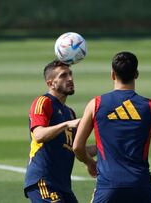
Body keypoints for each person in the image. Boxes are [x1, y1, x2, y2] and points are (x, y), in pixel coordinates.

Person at [72, 51, 151, 203]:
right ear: (136, 74)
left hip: (108, 187)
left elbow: (77, 147)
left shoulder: (95, 105)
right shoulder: (150, 108)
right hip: (140, 187)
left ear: (112, 74)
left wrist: (90, 163)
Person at [24, 60, 96, 202]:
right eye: (63, 76)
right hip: (43, 181)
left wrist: (106, 145)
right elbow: (38, 135)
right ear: (50, 83)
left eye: (70, 74)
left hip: (63, 186)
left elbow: (77, 147)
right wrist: (66, 124)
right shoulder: (43, 102)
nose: (70, 78)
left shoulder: (69, 112)